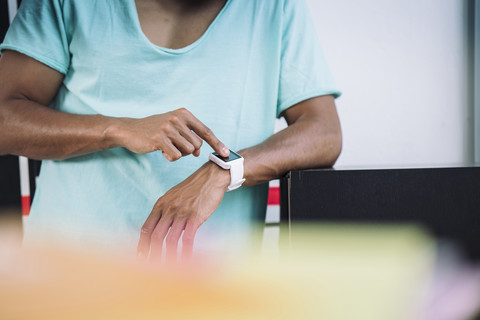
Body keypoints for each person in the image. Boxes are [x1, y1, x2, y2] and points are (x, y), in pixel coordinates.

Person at [0, 0, 342, 259]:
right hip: (70, 271)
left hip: (210, 280)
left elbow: (324, 132)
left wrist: (224, 171)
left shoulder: (274, 7)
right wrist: (117, 129)